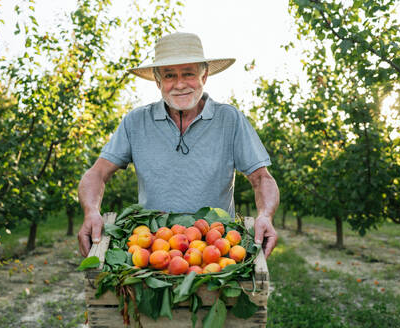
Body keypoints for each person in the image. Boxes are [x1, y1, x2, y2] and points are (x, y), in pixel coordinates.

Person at [78, 32, 279, 259]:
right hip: (152, 250)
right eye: (170, 75)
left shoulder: (229, 120)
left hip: (217, 250)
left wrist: (265, 215)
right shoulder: (136, 122)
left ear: (204, 77)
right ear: (158, 81)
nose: (180, 84)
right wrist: (91, 212)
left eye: (189, 74)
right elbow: (96, 174)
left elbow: (262, 178)